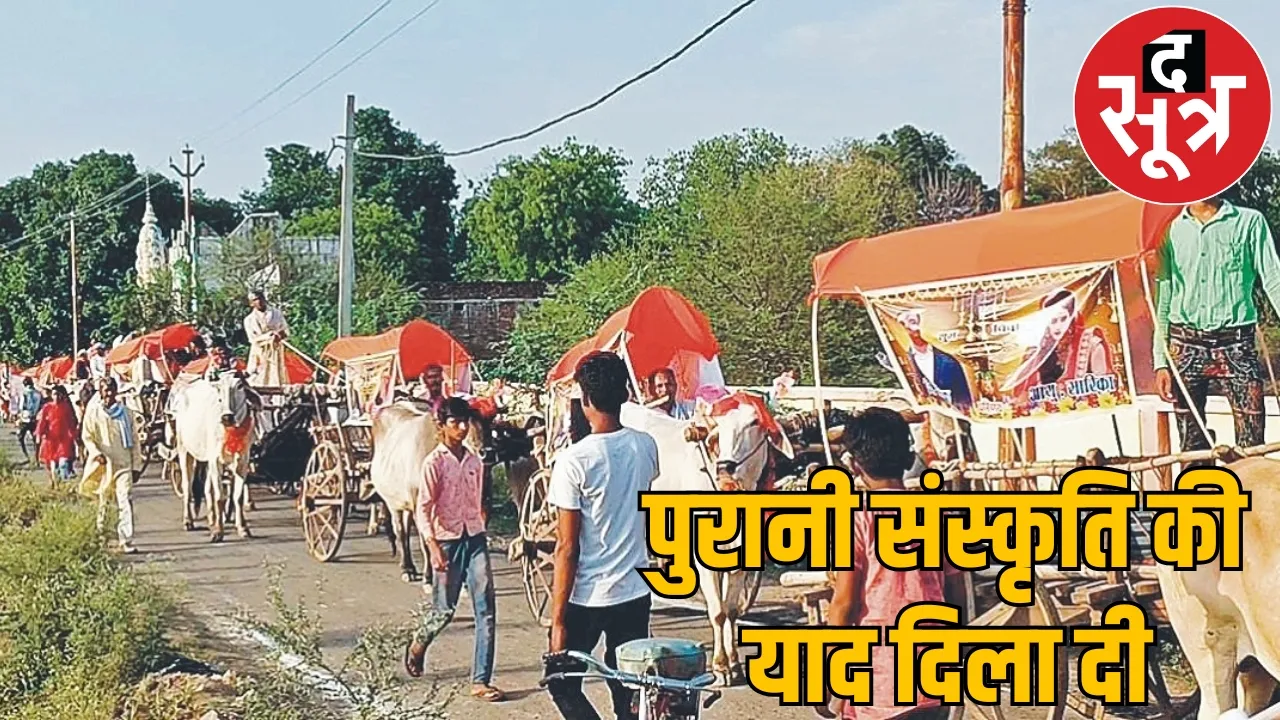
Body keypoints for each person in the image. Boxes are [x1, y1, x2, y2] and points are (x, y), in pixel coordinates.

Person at [544, 351, 660, 720]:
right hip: (635, 592)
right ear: (625, 394)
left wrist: (558, 621)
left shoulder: (573, 461)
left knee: (562, 681)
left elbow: (567, 547)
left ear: (584, 399)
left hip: (588, 596)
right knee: (627, 686)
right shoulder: (645, 445)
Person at [820, 408, 952, 720]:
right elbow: (957, 592)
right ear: (909, 461)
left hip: (880, 678)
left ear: (853, 465)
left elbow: (844, 604)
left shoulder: (856, 518)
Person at [1154, 195, 1280, 458]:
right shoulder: (1168, 228)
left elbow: (1273, 279)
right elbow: (1164, 296)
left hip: (1236, 343)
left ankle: (1249, 496)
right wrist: (1160, 361)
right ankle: (1199, 496)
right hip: (1184, 344)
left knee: (1252, 441)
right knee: (1190, 441)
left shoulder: (1249, 221)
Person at [403, 397, 505, 702]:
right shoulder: (434, 464)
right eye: (455, 422)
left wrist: (481, 519)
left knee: (485, 610)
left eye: (465, 422)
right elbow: (424, 508)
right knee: (443, 611)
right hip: (447, 540)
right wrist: (432, 546)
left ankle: (481, 679)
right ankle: (419, 642)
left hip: (474, 538)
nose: (462, 428)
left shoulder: (474, 461)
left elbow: (478, 497)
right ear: (441, 426)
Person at [1003, 289, 1112, 398]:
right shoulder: (1037, 353)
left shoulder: (1091, 343)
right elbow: (1023, 396)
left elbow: (1105, 390)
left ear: (1071, 317)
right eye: (1053, 320)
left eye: (1063, 319)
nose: (1058, 326)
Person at [79, 376, 141, 554]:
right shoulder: (94, 413)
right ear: (100, 392)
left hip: (124, 464)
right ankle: (102, 536)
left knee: (125, 499)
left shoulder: (126, 413)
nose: (109, 393)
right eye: (105, 390)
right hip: (104, 465)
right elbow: (87, 436)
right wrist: (96, 453)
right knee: (104, 500)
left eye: (112, 389)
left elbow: (135, 441)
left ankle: (126, 540)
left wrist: (137, 466)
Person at [900, 308, 972, 410]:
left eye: (913, 322)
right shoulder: (907, 357)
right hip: (933, 413)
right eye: (904, 324)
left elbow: (963, 392)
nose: (910, 328)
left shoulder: (947, 356)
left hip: (958, 412)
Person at [244, 289, 289, 386]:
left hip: (275, 352)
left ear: (264, 299)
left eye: (260, 298)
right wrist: (268, 336)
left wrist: (279, 335)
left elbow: (286, 331)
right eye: (255, 300)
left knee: (276, 377)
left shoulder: (276, 313)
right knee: (257, 378)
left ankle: (278, 399)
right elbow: (252, 339)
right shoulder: (249, 320)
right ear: (251, 303)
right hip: (259, 353)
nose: (259, 302)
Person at [35, 385, 79, 486]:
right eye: (55, 394)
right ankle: (55, 485)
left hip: (64, 441)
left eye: (59, 394)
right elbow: (42, 422)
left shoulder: (67, 407)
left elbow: (71, 423)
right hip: (51, 441)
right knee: (53, 467)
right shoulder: (47, 407)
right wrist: (39, 434)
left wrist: (75, 436)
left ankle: (64, 483)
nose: (57, 397)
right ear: (51, 395)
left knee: (63, 463)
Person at [17, 377, 43, 463]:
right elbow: (41, 406)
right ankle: (37, 457)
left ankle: (26, 456)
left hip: (25, 418)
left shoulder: (24, 393)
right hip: (35, 418)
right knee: (36, 439)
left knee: (21, 437)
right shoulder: (38, 393)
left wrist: (19, 416)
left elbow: (21, 406)